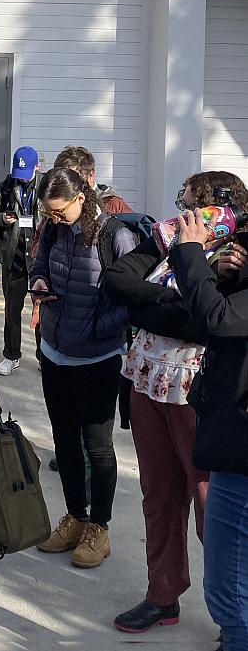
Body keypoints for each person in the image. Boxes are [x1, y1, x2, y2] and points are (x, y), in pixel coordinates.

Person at [105, 171, 248, 634]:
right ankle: (162, 594)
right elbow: (119, 283)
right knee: (159, 492)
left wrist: (166, 304)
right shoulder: (172, 238)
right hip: (148, 380)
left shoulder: (236, 254)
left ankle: (235, 612)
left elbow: (211, 322)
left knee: (212, 502)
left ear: (213, 208)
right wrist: (174, 295)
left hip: (193, 389)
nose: (179, 209)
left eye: (187, 200)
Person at [30, 167, 137, 568]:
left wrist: (96, 330)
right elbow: (38, 264)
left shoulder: (115, 235)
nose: (53, 219)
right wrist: (39, 284)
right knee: (64, 439)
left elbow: (133, 297)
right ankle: (75, 516)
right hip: (55, 352)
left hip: (96, 358)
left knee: (98, 446)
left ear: (80, 198)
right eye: (48, 213)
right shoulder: (54, 229)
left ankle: (100, 527)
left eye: (59, 212)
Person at [165, 209, 248, 651]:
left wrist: (192, 252)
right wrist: (231, 276)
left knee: (228, 584)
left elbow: (218, 320)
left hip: (240, 449)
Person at [0, 145, 40, 375]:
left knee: (42, 311)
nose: (22, 180)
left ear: (38, 167)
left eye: (26, 174)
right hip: (13, 255)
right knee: (12, 309)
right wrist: (2, 219)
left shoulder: (47, 186)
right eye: (19, 174)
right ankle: (11, 355)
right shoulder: (4, 187)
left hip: (39, 258)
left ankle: (43, 356)